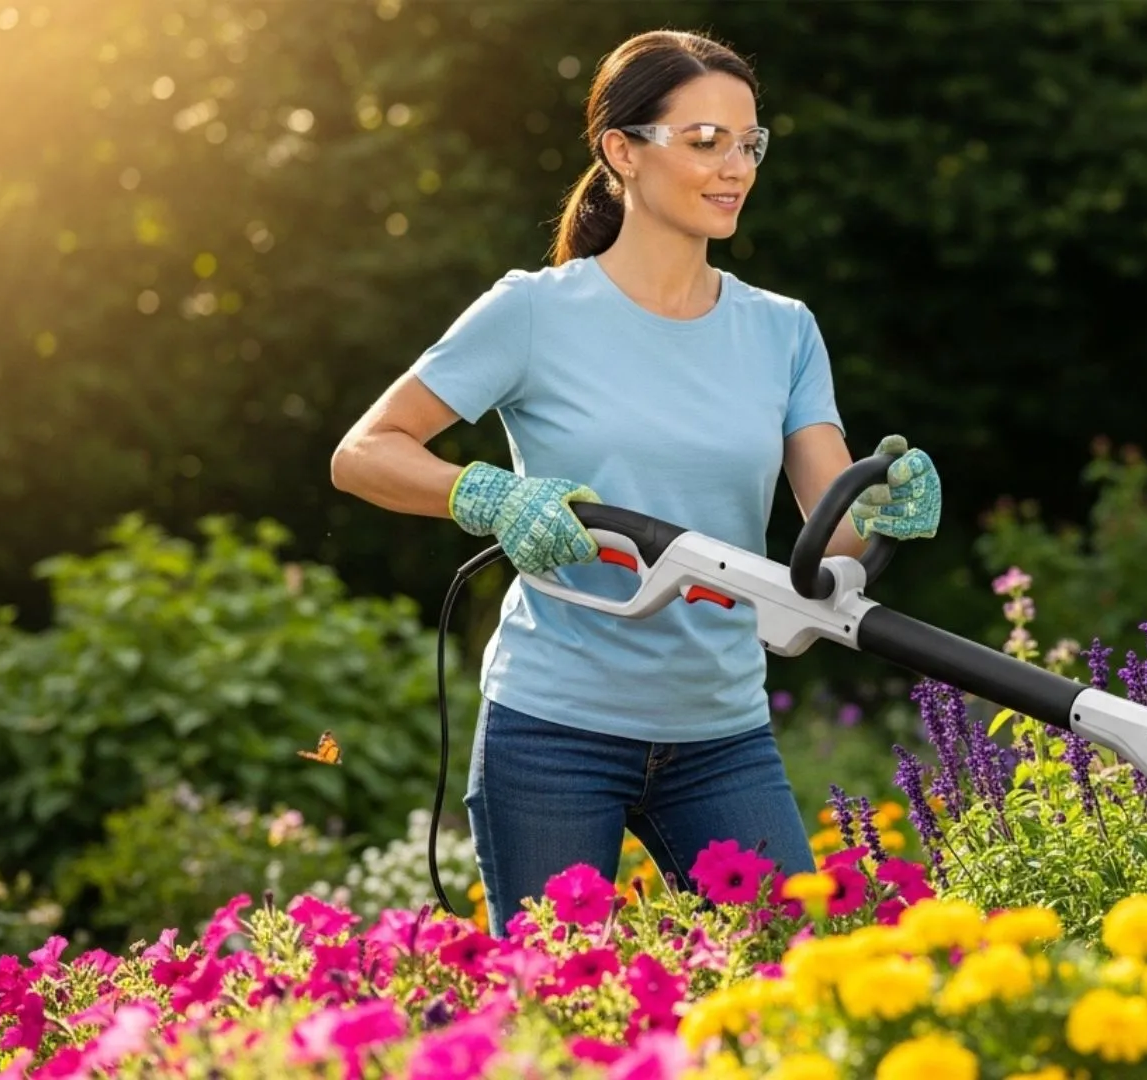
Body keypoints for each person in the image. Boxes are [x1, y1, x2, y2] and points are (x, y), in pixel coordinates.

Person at [328, 28, 942, 935]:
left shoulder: (782, 330)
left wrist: (881, 506)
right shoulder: (534, 312)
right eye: (705, 142)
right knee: (562, 1016)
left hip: (721, 731)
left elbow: (828, 535)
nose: (735, 166)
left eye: (749, 143)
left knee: (789, 977)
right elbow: (365, 451)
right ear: (622, 150)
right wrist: (489, 494)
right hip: (551, 729)